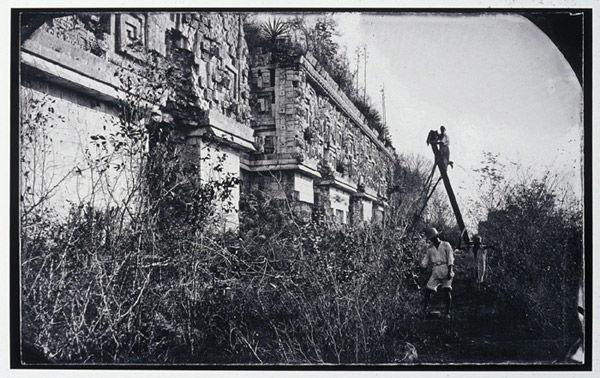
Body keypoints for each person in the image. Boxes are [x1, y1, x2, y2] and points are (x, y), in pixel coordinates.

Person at [420, 227, 455, 319]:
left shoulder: (446, 245)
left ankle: (447, 313)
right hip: (436, 270)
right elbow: (425, 260)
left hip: (446, 268)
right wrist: (421, 266)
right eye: (431, 238)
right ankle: (423, 310)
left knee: (447, 290)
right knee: (428, 290)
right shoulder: (430, 249)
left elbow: (450, 258)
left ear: (437, 236)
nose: (433, 240)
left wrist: (450, 270)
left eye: (434, 237)